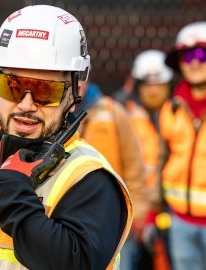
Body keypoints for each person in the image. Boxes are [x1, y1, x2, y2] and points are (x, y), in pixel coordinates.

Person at [0, 5, 133, 269]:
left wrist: (17, 199)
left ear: (74, 94)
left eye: (45, 91)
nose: (26, 104)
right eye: (13, 86)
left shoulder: (89, 178)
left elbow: (76, 261)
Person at [75, 79, 149, 269]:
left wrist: (138, 214)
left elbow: (134, 166)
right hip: (69, 220)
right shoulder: (51, 115)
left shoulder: (114, 113)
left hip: (113, 221)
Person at [124, 49, 175, 270]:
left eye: (159, 85)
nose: (153, 91)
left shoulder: (178, 115)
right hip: (132, 213)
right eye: (148, 85)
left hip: (170, 210)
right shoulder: (124, 115)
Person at [163, 21, 206, 270]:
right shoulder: (171, 109)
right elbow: (162, 159)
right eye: (187, 56)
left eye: (202, 53)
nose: (195, 62)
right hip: (179, 220)